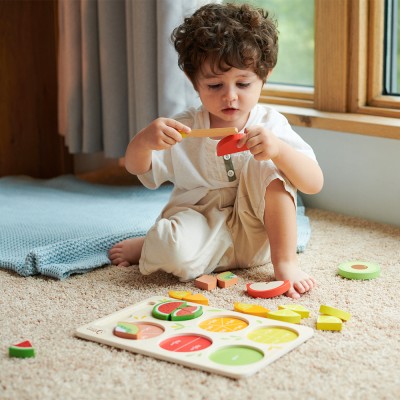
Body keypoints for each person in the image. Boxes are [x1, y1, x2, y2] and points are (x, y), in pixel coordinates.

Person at [109, 3, 324, 299]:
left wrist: (278, 151)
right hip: (201, 226)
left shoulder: (270, 124)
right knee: (169, 249)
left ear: (265, 76)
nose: (230, 96)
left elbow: (313, 183)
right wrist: (144, 141)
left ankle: (286, 263)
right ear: (193, 81)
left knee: (267, 164)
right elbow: (138, 168)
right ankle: (150, 245)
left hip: (258, 235)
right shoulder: (184, 126)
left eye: (243, 83)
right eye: (214, 85)